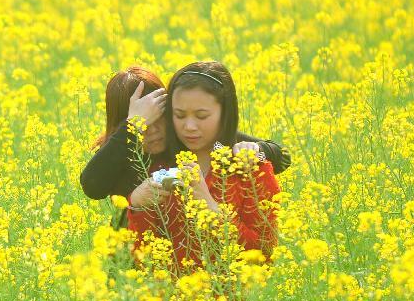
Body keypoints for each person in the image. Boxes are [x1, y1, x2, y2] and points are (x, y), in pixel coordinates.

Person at [80, 65, 290, 228]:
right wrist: (133, 126)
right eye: (141, 124)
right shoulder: (120, 153)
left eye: (158, 118)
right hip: (132, 270)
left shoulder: (192, 140)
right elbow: (92, 185)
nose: (150, 131)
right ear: (122, 127)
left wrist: (257, 151)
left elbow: (282, 157)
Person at [126, 61, 281, 273]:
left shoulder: (251, 169)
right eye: (179, 115)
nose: (189, 126)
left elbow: (264, 253)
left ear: (225, 113)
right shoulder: (160, 169)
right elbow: (144, 260)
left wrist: (212, 210)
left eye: (201, 116)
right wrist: (137, 206)